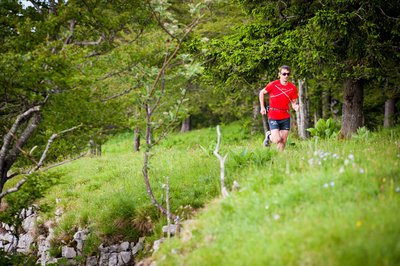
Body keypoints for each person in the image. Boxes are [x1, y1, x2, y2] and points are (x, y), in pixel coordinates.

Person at [259, 65, 299, 151]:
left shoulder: (293, 88)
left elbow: (293, 102)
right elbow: (262, 92)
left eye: (288, 74)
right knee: (277, 139)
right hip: (273, 115)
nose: (286, 76)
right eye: (284, 74)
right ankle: (269, 136)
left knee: (283, 141)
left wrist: (295, 106)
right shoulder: (273, 84)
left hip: (285, 116)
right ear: (279, 74)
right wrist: (262, 107)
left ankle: (279, 158)